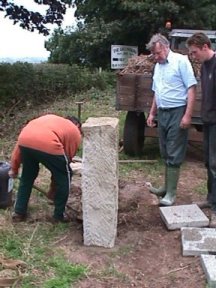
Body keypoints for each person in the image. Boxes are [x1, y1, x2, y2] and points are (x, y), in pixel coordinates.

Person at [146, 33, 197, 206]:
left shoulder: (181, 61)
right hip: (163, 112)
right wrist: (152, 113)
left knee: (174, 151)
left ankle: (171, 194)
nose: (156, 57)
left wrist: (187, 115)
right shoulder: (158, 66)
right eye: (154, 54)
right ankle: (165, 187)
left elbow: (191, 89)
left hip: (177, 111)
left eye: (158, 53)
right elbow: (156, 92)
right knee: (165, 150)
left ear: (166, 47)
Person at [9, 114, 82, 223]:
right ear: (77, 125)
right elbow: (62, 168)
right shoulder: (74, 131)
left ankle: (19, 212)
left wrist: (14, 169)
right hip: (48, 142)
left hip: (25, 139)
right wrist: (53, 190)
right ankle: (59, 216)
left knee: (27, 176)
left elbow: (18, 147)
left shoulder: (50, 120)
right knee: (66, 176)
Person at [186, 32, 216, 227]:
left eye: (195, 52)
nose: (193, 56)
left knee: (215, 163)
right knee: (208, 161)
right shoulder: (205, 66)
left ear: (205, 47)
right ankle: (211, 198)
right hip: (208, 120)